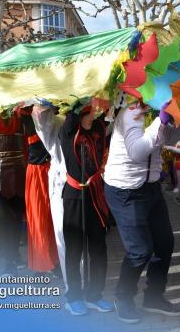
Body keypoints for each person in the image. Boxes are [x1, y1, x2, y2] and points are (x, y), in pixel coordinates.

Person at [104, 101, 180, 324]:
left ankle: (153, 298)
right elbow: (137, 152)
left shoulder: (153, 111)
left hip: (150, 188)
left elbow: (173, 141)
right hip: (125, 190)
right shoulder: (131, 111)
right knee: (140, 250)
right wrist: (160, 121)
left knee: (164, 244)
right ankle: (123, 298)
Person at [59, 106, 112, 316]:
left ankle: (94, 295)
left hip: (95, 194)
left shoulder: (99, 127)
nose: (98, 107)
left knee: (99, 247)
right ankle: (73, 296)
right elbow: (73, 113)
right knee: (75, 249)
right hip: (74, 197)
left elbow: (109, 113)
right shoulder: (69, 130)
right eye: (93, 105)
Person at [0, 114, 27, 275]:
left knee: (15, 217)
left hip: (18, 169)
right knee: (4, 218)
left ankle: (13, 256)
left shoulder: (22, 117)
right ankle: (10, 259)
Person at [20, 110, 58, 276]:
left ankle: (56, 260)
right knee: (39, 218)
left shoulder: (57, 109)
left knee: (55, 218)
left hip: (55, 170)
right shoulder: (26, 113)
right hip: (37, 173)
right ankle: (41, 264)